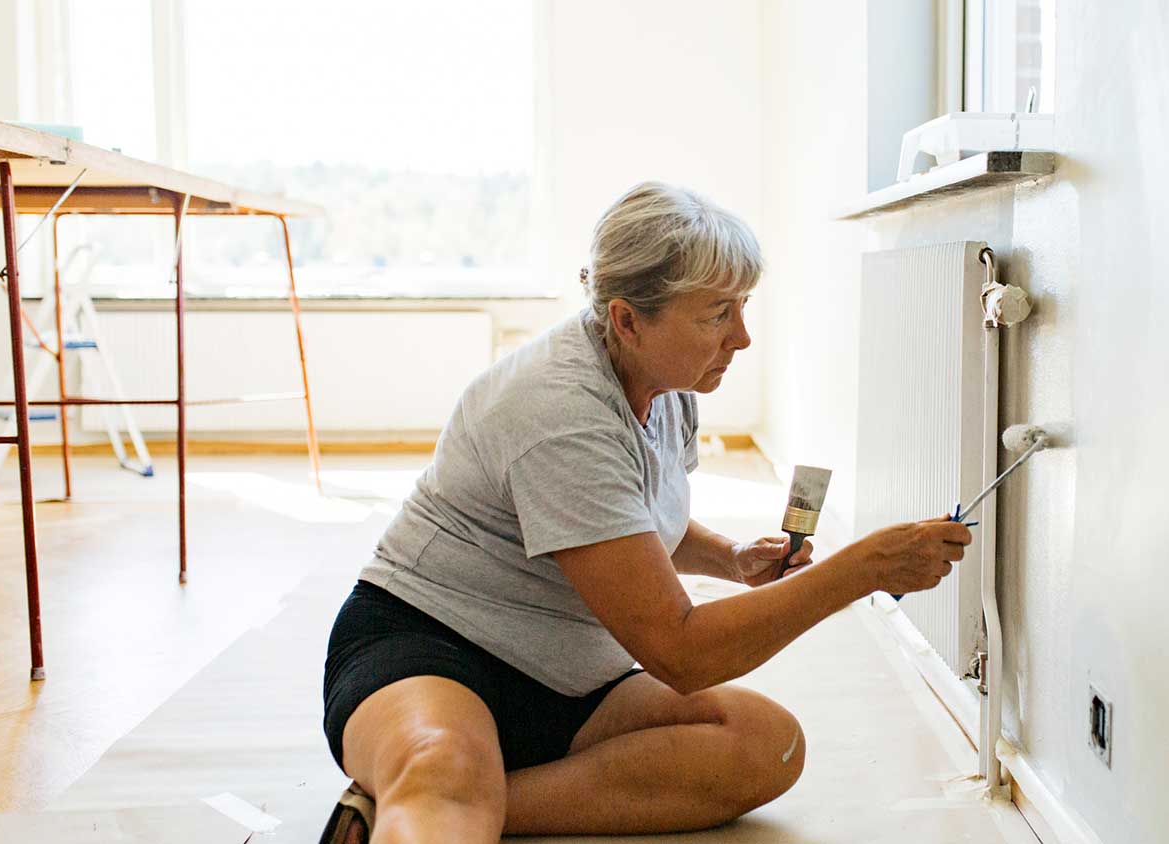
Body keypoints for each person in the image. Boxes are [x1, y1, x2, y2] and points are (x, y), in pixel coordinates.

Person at [318, 182, 973, 844]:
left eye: (742, 307)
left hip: (570, 674)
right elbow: (679, 651)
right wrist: (862, 569)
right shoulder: (557, 413)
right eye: (717, 315)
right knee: (445, 770)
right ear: (628, 320)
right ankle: (443, 788)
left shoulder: (667, 386)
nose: (741, 338)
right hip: (433, 647)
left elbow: (626, 523)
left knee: (765, 743)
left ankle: (458, 800)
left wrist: (729, 560)